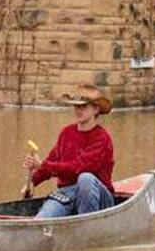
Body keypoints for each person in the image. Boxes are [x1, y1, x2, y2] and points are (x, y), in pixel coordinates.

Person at [22, 86, 115, 218]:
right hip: (67, 193)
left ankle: (87, 225)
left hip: (100, 198)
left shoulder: (102, 138)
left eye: (83, 107)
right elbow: (52, 161)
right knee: (42, 218)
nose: (78, 110)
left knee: (85, 178)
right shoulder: (66, 133)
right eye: (76, 107)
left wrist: (42, 164)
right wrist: (32, 182)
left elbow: (78, 168)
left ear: (96, 109)